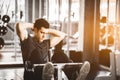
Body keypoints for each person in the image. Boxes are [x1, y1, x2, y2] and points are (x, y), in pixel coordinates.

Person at [16, 18, 90, 80]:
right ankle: (44, 75)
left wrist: (47, 30)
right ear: (35, 30)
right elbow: (19, 26)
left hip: (48, 72)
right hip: (33, 75)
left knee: (59, 54)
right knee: (36, 53)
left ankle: (75, 76)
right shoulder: (27, 40)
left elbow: (61, 35)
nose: (44, 36)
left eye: (45, 33)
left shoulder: (46, 43)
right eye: (42, 32)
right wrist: (33, 25)